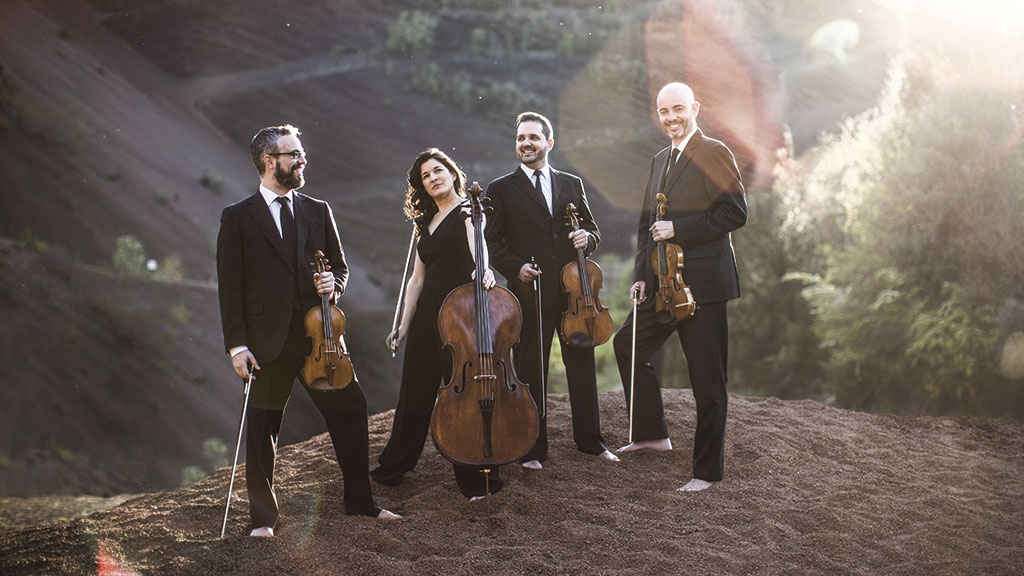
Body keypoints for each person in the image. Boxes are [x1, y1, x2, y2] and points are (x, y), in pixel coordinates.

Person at [216, 124, 398, 537]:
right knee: (263, 429)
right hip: (265, 343)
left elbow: (340, 267)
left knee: (350, 408)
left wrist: (333, 285)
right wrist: (236, 346)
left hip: (320, 339)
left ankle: (361, 503)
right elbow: (230, 288)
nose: (302, 161)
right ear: (269, 161)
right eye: (293, 154)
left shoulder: (318, 209)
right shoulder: (237, 217)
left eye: (301, 154)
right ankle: (263, 520)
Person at [612, 82, 747, 491]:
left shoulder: (714, 152)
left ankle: (706, 473)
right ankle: (652, 434)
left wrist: (679, 229)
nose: (671, 118)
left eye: (678, 109)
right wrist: (640, 275)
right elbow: (644, 225)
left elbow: (735, 212)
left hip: (703, 287)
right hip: (661, 285)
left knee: (707, 379)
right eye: (664, 112)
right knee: (627, 344)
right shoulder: (659, 159)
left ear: (695, 108)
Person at [485, 112, 618, 469]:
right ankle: (532, 448)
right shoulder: (500, 188)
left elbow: (592, 228)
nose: (525, 143)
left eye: (532, 137)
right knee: (531, 371)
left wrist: (586, 238)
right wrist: (517, 268)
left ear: (549, 142)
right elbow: (493, 243)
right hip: (529, 294)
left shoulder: (571, 183)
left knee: (582, 367)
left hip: (576, 295)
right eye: (520, 138)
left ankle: (591, 442)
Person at [371, 148, 503, 499]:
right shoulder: (424, 222)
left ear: (452, 172)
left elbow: (480, 246)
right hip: (428, 315)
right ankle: (396, 464)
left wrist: (485, 269)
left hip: (460, 318)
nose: (433, 178)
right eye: (425, 176)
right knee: (414, 391)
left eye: (438, 170)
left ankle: (474, 473)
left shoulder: (469, 211)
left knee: (462, 397)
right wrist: (402, 325)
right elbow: (417, 280)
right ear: (422, 186)